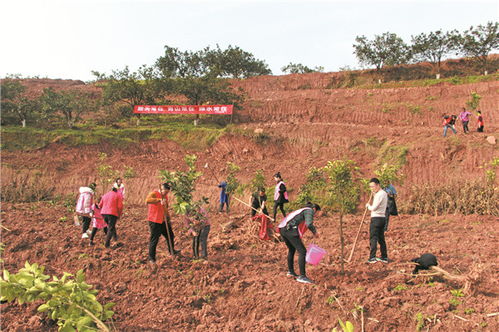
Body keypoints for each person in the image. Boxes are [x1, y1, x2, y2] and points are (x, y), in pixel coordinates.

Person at [278, 202, 321, 284]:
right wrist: (315, 232)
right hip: (290, 230)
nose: (317, 215)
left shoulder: (302, 210)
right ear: (315, 209)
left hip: (283, 229)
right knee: (302, 251)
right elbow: (309, 224)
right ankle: (302, 276)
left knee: (292, 249)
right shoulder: (309, 211)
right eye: (318, 213)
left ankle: (291, 272)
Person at [145, 183, 179, 265]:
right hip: (154, 221)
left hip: (163, 220)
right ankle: (151, 258)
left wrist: (168, 218)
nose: (166, 193)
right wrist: (159, 200)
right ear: (161, 189)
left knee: (170, 235)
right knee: (154, 239)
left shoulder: (165, 197)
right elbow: (147, 200)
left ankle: (172, 251)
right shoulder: (154, 193)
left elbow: (166, 208)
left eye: (167, 192)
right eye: (165, 192)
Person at [366, 178, 389, 264]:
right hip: (382, 218)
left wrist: (368, 206)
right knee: (381, 238)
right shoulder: (383, 194)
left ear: (378, 185)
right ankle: (384, 257)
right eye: (370, 187)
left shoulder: (380, 194)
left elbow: (374, 208)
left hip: (376, 218)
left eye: (373, 186)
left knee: (373, 238)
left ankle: (372, 257)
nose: (372, 188)